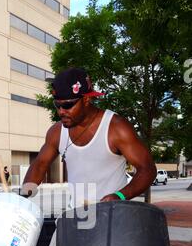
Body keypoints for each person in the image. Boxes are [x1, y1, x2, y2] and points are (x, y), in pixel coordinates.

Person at [22, 67, 156, 205]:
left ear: (86, 99)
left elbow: (147, 169)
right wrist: (22, 197)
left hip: (112, 217)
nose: (61, 111)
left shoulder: (115, 128)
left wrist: (120, 196)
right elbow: (39, 166)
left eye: (68, 105)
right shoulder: (56, 132)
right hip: (76, 218)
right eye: (57, 105)